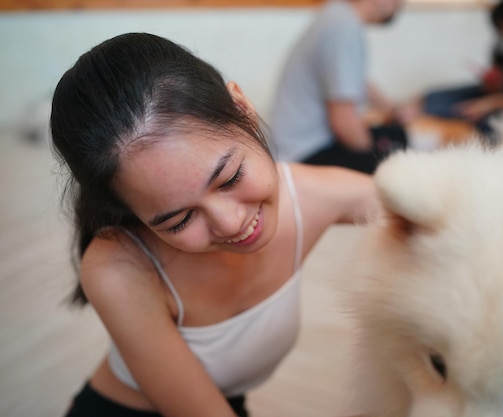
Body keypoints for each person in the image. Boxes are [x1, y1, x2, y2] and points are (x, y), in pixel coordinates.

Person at [51, 32, 378, 417]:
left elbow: (440, 204)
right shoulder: (118, 267)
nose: (231, 222)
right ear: (129, 213)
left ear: (241, 107)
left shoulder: (310, 194)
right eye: (180, 220)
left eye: (230, 178)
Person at [269, 0, 409, 174]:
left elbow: (352, 79)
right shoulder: (345, 30)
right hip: (305, 155)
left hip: (293, 145)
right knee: (394, 145)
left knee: (389, 136)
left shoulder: (336, 12)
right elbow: (343, 123)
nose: (401, 4)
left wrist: (392, 108)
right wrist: (374, 157)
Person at [417, 0, 503, 143]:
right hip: (494, 94)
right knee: (434, 97)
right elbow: (496, 76)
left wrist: (490, 103)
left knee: (483, 121)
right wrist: (492, 82)